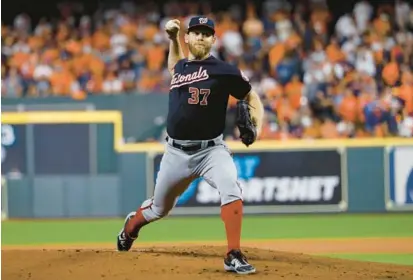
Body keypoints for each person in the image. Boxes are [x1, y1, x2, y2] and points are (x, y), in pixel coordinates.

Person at [116, 16, 264, 275]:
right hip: (175, 153)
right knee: (159, 209)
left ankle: (233, 253)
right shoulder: (182, 66)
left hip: (211, 151)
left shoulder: (225, 70)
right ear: (187, 38)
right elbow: (174, 65)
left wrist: (258, 126)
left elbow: (251, 95)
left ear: (213, 40)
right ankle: (131, 227)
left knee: (231, 186)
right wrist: (173, 39)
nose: (200, 37)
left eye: (206, 34)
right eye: (195, 32)